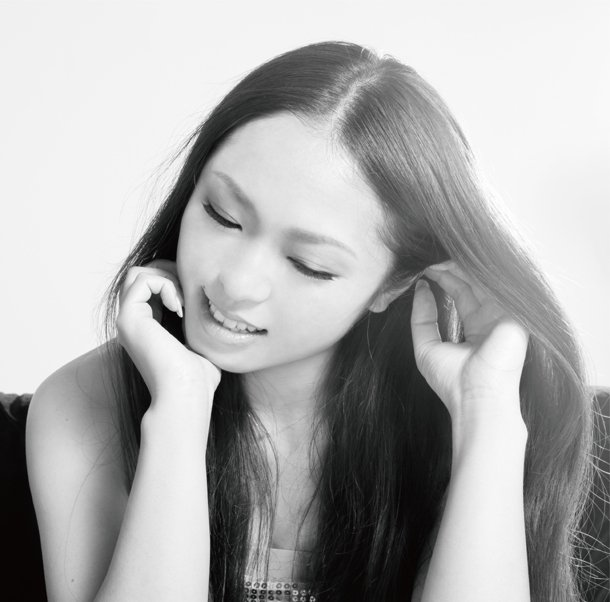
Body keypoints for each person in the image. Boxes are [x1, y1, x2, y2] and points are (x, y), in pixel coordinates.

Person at [25, 41, 598, 602]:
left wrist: (484, 413)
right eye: (222, 215)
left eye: (308, 265)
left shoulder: (460, 420)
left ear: (392, 286)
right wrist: (178, 409)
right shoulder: (85, 404)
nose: (235, 284)